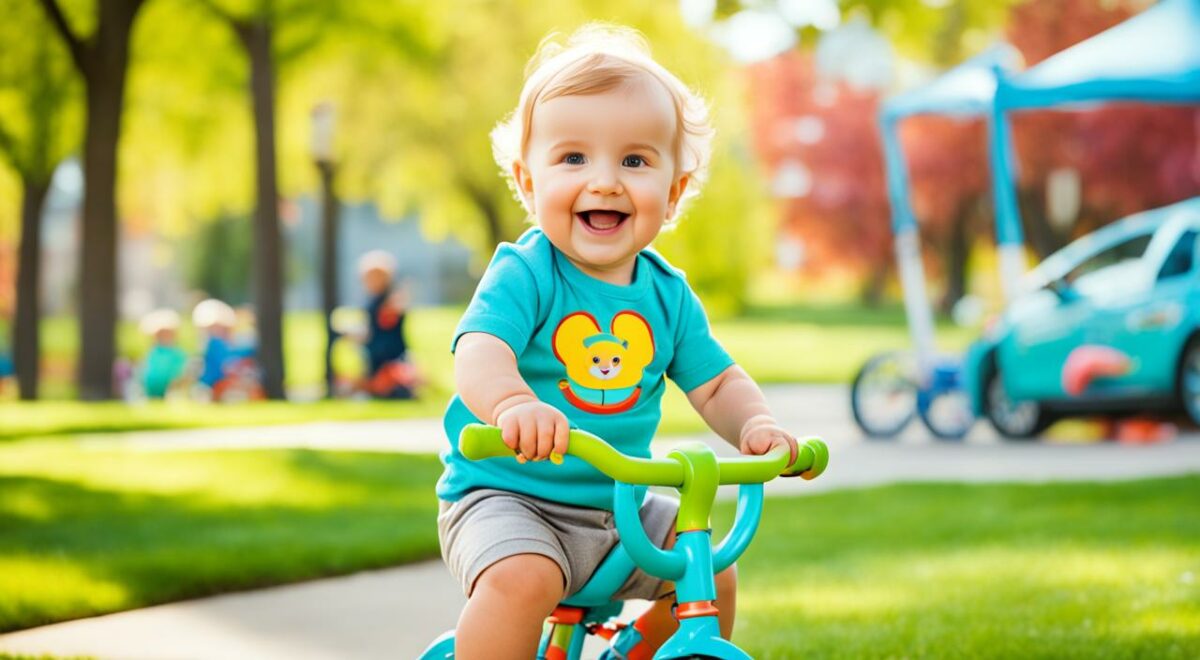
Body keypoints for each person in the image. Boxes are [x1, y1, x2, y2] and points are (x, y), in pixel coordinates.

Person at [436, 25, 802, 659]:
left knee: (708, 566)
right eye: (573, 158)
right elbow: (480, 350)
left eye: (634, 161)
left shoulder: (668, 295)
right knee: (521, 578)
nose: (604, 181)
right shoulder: (527, 273)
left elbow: (716, 382)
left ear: (674, 190)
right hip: (507, 499)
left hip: (618, 507)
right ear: (527, 182)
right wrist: (513, 405)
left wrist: (758, 426)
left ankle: (631, 653)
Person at [358, 250, 417, 399]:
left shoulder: (392, 298)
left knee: (391, 384)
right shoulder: (372, 300)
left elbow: (391, 318)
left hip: (391, 354)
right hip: (374, 353)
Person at [139, 309, 188, 399]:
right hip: (152, 385)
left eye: (167, 333)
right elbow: (147, 369)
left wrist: (176, 381)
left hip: (170, 386)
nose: (164, 337)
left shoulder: (177, 353)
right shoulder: (153, 352)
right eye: (161, 334)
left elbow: (179, 370)